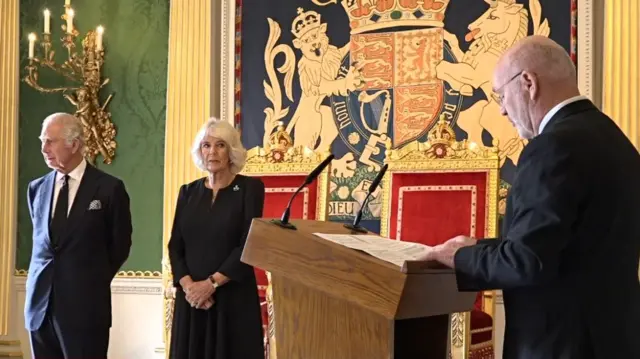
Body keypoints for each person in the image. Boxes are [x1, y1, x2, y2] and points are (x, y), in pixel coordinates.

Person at [420, 36, 640, 358]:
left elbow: (528, 261)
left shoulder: (553, 147)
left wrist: (457, 257)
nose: (502, 109)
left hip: (562, 345)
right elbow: (569, 246)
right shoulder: (617, 142)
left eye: (500, 95)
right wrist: (476, 248)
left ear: (528, 82)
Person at [25, 112, 132, 358]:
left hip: (85, 311)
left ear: (74, 144)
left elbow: (120, 247)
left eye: (50, 141)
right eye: (42, 141)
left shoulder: (109, 188)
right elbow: (43, 244)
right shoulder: (36, 188)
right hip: (39, 309)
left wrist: (87, 283)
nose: (44, 148)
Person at [168, 117, 265, 359]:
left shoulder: (249, 190)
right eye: (206, 145)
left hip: (231, 297)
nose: (212, 152)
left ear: (231, 151)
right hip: (192, 300)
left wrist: (210, 284)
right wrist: (190, 287)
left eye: (220, 145)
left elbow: (248, 244)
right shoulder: (188, 192)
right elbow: (175, 244)